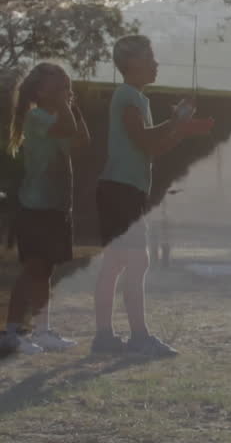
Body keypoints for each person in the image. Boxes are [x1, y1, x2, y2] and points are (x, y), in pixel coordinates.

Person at [92, 35, 213, 356]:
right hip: (121, 191)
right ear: (131, 64)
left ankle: (105, 338)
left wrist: (180, 130)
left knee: (116, 263)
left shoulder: (137, 99)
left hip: (124, 190)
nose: (156, 64)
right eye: (150, 58)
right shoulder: (127, 96)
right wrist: (175, 121)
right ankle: (138, 337)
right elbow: (144, 140)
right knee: (135, 261)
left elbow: (153, 149)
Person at [2, 63, 89, 355]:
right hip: (35, 206)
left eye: (66, 85)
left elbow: (81, 140)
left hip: (54, 207)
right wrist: (65, 106)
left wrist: (69, 105)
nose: (63, 90)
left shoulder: (55, 117)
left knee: (44, 271)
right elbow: (68, 129)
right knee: (33, 269)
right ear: (39, 92)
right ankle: (12, 331)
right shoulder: (38, 117)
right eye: (56, 86)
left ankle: (42, 330)